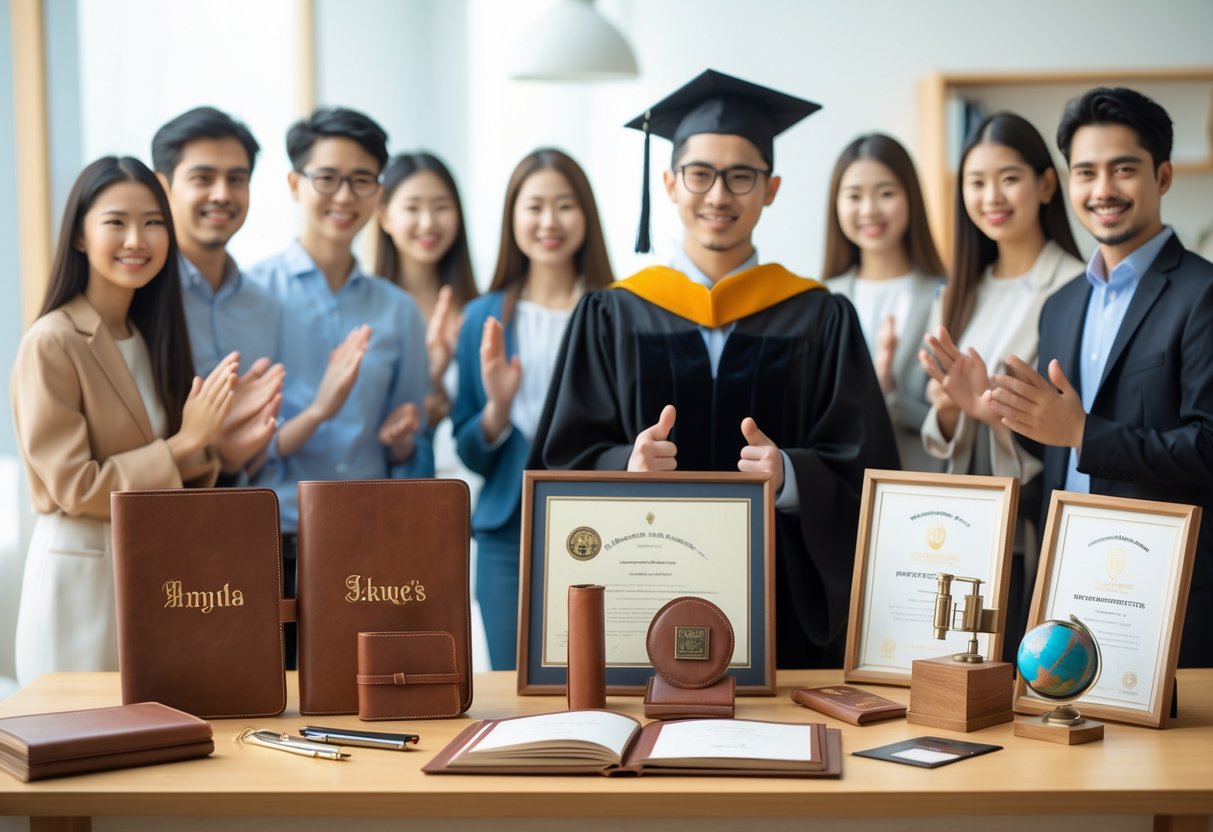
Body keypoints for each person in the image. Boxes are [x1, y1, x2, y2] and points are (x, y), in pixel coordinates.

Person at [529, 70, 899, 668]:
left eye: (741, 177)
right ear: (670, 184)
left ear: (771, 188)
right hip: (642, 592)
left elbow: (867, 467)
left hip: (781, 602)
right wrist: (623, 465)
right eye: (700, 175)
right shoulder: (611, 313)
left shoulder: (821, 316)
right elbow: (560, 456)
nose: (719, 196)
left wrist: (793, 477)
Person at [986, 87, 1213, 667]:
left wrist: (1085, 432)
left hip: (1170, 593)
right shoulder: (1062, 305)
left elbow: (1207, 448)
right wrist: (992, 408)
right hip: (1068, 584)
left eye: (1124, 169)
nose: (1103, 190)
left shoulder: (1202, 293)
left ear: (1162, 177)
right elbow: (1056, 440)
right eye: (1085, 172)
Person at [10, 156, 235, 685]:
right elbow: (74, 485)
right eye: (116, 222)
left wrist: (216, 439)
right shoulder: (52, 341)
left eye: (153, 222)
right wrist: (183, 446)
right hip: (79, 583)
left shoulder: (152, 337)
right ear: (82, 237)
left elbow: (175, 463)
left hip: (150, 574)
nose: (138, 239)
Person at [250, 108, 433, 664]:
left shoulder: (398, 311)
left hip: (368, 543)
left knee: (363, 697)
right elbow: (235, 446)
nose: (344, 196)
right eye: (326, 178)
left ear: (378, 192)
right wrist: (321, 409)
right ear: (293, 184)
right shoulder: (252, 295)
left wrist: (403, 439)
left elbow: (412, 442)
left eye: (361, 181)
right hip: (271, 542)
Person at [917, 112, 1084, 656]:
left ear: (1046, 184)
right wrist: (950, 407)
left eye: (1008, 178)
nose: (992, 196)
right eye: (977, 181)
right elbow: (940, 419)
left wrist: (992, 408)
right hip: (963, 522)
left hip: (1028, 525)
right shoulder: (958, 291)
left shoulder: (1075, 286)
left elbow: (1071, 421)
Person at [451, 148, 614, 670]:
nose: (549, 222)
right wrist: (497, 408)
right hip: (508, 531)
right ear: (512, 218)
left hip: (601, 522)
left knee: (600, 674)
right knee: (512, 678)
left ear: (586, 215)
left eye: (565, 206)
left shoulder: (617, 311)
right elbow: (469, 449)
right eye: (534, 206)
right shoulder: (481, 316)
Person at [152, 106, 283, 481]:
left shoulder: (264, 305)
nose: (222, 194)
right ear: (164, 187)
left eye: (237, 179)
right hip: (152, 514)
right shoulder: (139, 297)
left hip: (244, 517)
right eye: (203, 178)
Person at [822, 133, 946, 472]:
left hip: (922, 487)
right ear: (837, 204)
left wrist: (889, 394)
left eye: (886, 193)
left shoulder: (947, 295)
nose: (869, 210)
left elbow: (957, 423)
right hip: (843, 492)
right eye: (854, 196)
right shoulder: (820, 299)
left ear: (911, 198)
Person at [375, 151, 478, 462]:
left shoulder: (479, 309)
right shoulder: (369, 311)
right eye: (412, 207)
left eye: (441, 207)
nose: (428, 222)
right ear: (385, 217)